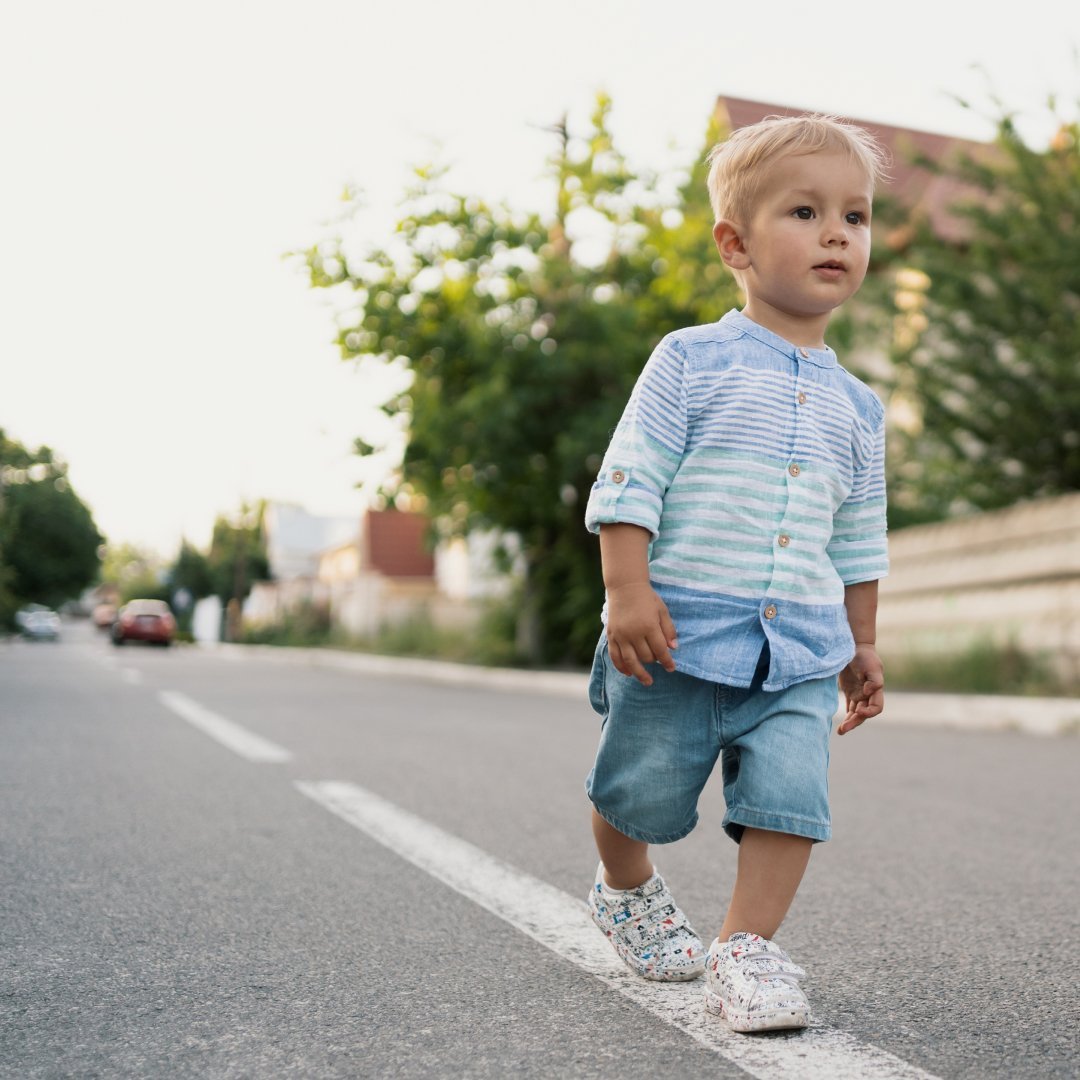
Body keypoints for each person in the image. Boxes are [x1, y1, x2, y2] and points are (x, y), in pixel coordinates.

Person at [582, 114, 890, 1033]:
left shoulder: (860, 408)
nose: (837, 233)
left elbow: (859, 539)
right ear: (736, 244)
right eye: (805, 211)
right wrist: (627, 591)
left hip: (798, 647)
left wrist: (862, 641)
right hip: (678, 637)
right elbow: (630, 478)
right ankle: (624, 887)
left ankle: (745, 950)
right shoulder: (691, 360)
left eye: (856, 216)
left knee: (792, 798)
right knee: (633, 793)